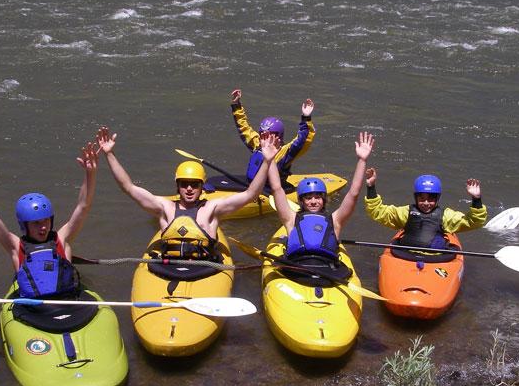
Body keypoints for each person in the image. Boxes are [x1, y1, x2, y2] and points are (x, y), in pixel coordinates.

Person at [96, 126, 277, 260]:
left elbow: (251, 194)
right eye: (184, 184)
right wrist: (109, 154)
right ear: (178, 186)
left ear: (201, 187)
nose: (189, 189)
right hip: (169, 267)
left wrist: (267, 161)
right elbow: (128, 187)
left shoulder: (212, 209)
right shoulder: (163, 207)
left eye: (194, 185)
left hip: (204, 268)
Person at [0, 143, 98, 299]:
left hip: (67, 304)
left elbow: (83, 206)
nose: (43, 227)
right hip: (34, 313)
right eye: (36, 223)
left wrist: (90, 173)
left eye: (46, 221)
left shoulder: (62, 239)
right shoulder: (16, 247)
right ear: (25, 225)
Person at [269, 132, 373, 273]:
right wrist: (269, 160)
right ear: (301, 201)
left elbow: (353, 193)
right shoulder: (291, 219)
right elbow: (276, 189)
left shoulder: (335, 221)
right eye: (308, 197)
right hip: (296, 268)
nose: (313, 201)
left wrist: (362, 160)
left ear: (323, 200)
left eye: (317, 197)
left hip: (327, 270)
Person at [364, 171, 486, 250]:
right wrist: (371, 187)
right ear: (415, 197)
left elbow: (474, 221)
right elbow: (377, 211)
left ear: (437, 199)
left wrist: (476, 198)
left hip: (435, 258)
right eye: (421, 198)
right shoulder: (405, 213)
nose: (426, 203)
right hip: (406, 256)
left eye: (431, 199)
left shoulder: (446, 216)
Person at [228, 88, 315, 191]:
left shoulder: (285, 152)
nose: (266, 138)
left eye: (270, 135)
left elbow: (303, 139)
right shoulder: (258, 144)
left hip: (271, 191)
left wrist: (306, 117)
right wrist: (236, 105)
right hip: (253, 187)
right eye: (263, 134)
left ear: (279, 136)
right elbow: (244, 127)